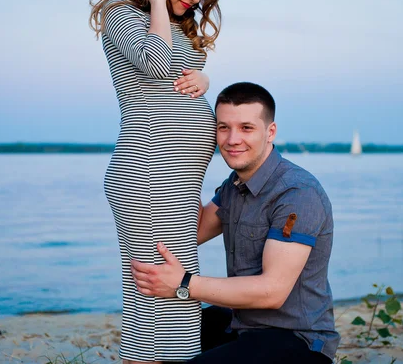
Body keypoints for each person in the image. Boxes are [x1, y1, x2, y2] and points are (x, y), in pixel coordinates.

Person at [131, 82, 340, 364]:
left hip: (297, 340)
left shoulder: (297, 194)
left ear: (270, 132)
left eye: (246, 128)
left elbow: (271, 292)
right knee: (164, 334)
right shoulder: (235, 186)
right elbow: (191, 231)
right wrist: (180, 165)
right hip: (244, 326)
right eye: (223, 127)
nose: (232, 139)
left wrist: (182, 284)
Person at [88, 0, 225, 363]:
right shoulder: (121, 14)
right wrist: (159, 3)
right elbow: (157, 64)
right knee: (160, 298)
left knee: (169, 294)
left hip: (177, 183)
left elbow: (172, 76)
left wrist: (203, 79)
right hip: (147, 176)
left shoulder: (176, 28)